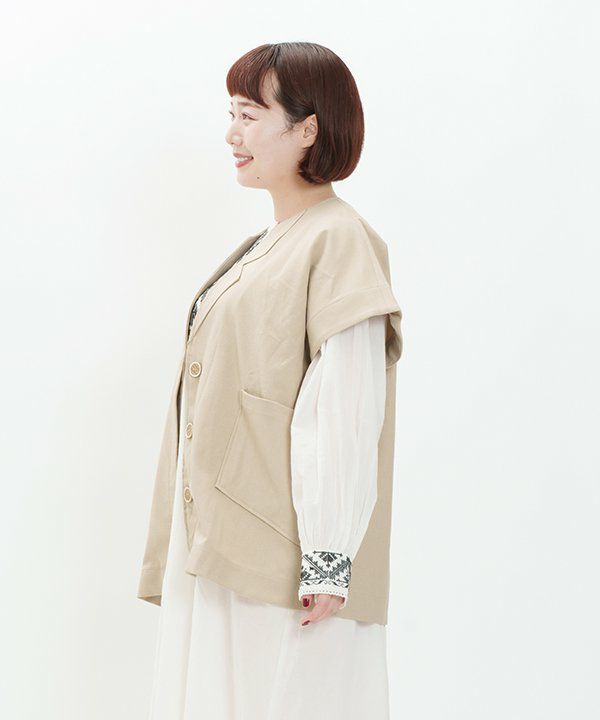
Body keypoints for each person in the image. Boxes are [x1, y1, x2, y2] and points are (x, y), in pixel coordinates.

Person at [138, 41, 403, 719]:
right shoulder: (267, 246)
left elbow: (344, 407)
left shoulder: (339, 239)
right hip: (227, 549)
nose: (233, 134)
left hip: (285, 568)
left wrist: (328, 558)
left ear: (307, 129)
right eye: (231, 114)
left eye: (250, 115)